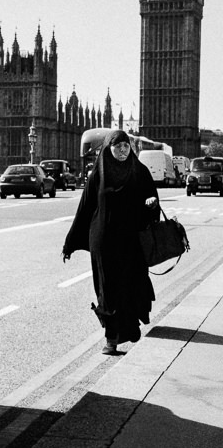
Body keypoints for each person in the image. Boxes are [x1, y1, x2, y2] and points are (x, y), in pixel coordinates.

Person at [62, 130, 160, 355]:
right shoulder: (99, 173)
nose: (123, 150)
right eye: (118, 147)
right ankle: (112, 338)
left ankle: (130, 325)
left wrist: (152, 204)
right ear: (109, 148)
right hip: (104, 241)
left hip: (132, 241)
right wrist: (70, 243)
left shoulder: (140, 171)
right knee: (107, 290)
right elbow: (85, 208)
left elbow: (152, 201)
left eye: (126, 146)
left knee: (131, 285)